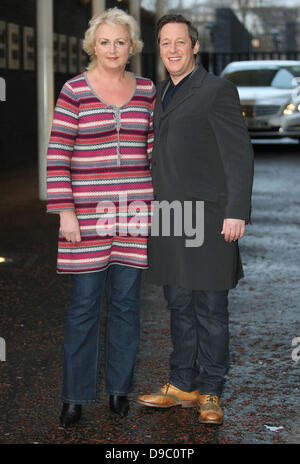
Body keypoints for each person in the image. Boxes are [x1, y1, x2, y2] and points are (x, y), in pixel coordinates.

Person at [136, 14, 254, 425]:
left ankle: (211, 392)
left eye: (180, 42)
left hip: (208, 216)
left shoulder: (217, 91)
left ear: (195, 47)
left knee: (210, 307)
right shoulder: (159, 95)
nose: (172, 49)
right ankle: (182, 383)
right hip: (170, 217)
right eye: (165, 42)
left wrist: (237, 211)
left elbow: (238, 156)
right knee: (178, 303)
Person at [46, 8, 155, 428]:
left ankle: (118, 391)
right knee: (84, 306)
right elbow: (58, 154)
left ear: (131, 47)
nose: (113, 49)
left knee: (127, 305)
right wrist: (66, 212)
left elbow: (152, 149)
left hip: (133, 215)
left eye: (120, 42)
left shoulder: (146, 89)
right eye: (105, 41)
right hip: (86, 217)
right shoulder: (74, 90)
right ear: (94, 45)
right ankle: (74, 397)